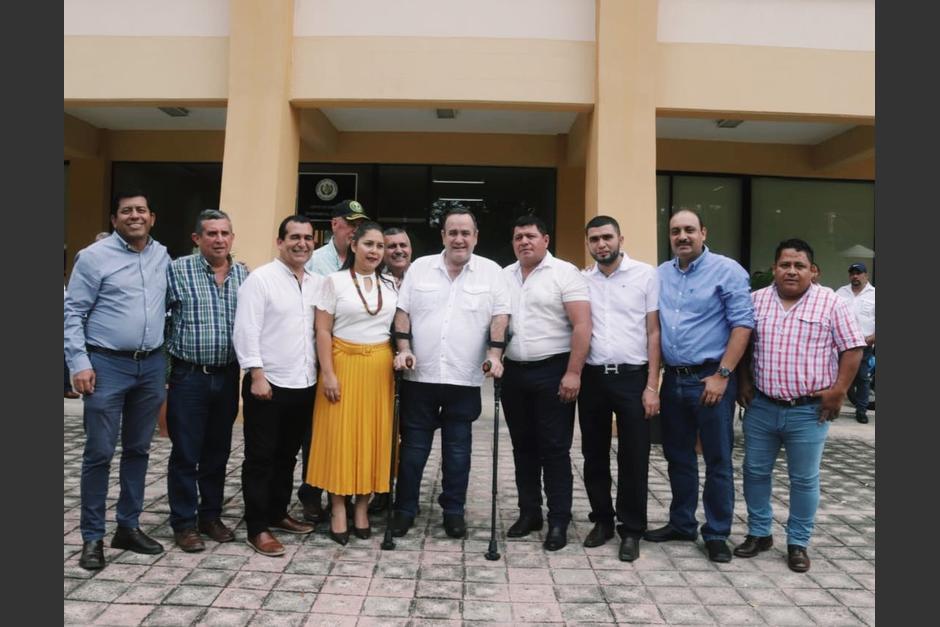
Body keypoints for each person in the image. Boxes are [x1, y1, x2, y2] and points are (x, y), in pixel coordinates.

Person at [735, 239, 864, 573]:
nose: (791, 271)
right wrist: (745, 382)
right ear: (775, 268)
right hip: (762, 406)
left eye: (799, 265)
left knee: (804, 479)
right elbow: (745, 347)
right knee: (754, 471)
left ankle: (797, 542)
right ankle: (760, 532)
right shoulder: (756, 301)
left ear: (813, 271)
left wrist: (839, 391)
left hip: (809, 411)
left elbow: (853, 349)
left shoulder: (831, 303)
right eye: (785, 265)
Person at [65, 190, 170, 570]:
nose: (135, 216)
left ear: (152, 217)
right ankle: (92, 537)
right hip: (106, 365)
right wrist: (79, 362)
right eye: (126, 211)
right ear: (114, 220)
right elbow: (73, 312)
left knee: (139, 450)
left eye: (141, 210)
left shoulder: (161, 256)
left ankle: (128, 526)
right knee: (99, 453)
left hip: (151, 366)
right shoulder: (93, 258)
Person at [390, 208, 510, 539]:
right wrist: (404, 351)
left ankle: (453, 511)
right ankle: (404, 509)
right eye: (452, 232)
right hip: (421, 377)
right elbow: (403, 313)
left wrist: (494, 355)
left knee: (458, 452)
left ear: (475, 237)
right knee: (414, 450)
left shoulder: (492, 272)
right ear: (443, 235)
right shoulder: (419, 268)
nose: (459, 238)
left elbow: (500, 317)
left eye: (465, 233)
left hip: (464, 378)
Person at [645, 209, 754, 563]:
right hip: (674, 379)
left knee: (718, 459)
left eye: (689, 229)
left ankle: (718, 533)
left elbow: (742, 325)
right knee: (677, 457)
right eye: (676, 231)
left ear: (703, 232)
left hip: (711, 379)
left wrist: (723, 376)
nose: (682, 236)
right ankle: (681, 523)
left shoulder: (727, 270)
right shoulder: (660, 274)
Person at [501, 215, 592, 552]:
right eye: (518, 237)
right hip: (514, 372)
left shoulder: (565, 273)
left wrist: (573, 372)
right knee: (522, 448)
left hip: (553, 371)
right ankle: (530, 513)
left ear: (546, 240)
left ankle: (558, 520)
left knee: (554, 449)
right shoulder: (504, 276)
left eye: (530, 236)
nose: (524, 242)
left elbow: (582, 325)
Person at [305, 221, 399, 544]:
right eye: (369, 244)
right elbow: (322, 331)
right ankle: (338, 507)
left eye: (380, 246)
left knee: (372, 438)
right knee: (339, 437)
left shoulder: (390, 286)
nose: (375, 251)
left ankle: (362, 505)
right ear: (354, 245)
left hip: (379, 370)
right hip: (341, 366)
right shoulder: (333, 282)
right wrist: (327, 373)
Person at [233, 215, 321, 556]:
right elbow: (246, 330)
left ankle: (277, 512)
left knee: (287, 456)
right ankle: (257, 527)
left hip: (303, 383)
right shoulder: (261, 280)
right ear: (280, 241)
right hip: (267, 384)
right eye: (295, 237)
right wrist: (256, 374)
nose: (302, 243)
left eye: (308, 238)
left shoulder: (316, 282)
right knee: (261, 458)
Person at [164, 210, 248, 552]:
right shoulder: (177, 270)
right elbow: (160, 321)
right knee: (186, 452)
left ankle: (210, 516)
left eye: (225, 233)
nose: (219, 239)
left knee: (218, 451)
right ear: (197, 239)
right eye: (211, 233)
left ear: (232, 237)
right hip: (189, 376)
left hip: (227, 375)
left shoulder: (244, 274)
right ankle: (183, 523)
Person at [578, 216, 661, 562]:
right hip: (593, 378)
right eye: (594, 239)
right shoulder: (582, 280)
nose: (601, 244)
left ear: (620, 238)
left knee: (634, 456)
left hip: (633, 377)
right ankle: (602, 521)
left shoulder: (646, 275)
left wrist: (652, 386)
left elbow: (654, 332)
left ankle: (631, 529)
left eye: (607, 237)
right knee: (593, 453)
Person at [299, 199, 371, 522]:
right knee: (316, 434)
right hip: (315, 358)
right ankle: (312, 493)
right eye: (350, 223)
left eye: (359, 224)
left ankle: (349, 494)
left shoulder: (365, 261)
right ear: (335, 225)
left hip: (354, 362)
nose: (355, 229)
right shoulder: (314, 261)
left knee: (349, 432)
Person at [367, 226, 414, 515]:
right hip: (380, 364)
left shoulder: (422, 277)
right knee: (384, 432)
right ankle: (381, 489)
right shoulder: (373, 280)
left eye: (403, 245)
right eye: (391, 245)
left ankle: (404, 492)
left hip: (416, 367)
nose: (398, 250)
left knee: (410, 435)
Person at [835, 262, 876, 423]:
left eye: (859, 273)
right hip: (842, 342)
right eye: (852, 273)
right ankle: (834, 407)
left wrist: (874, 336)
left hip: (863, 343)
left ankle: (861, 410)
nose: (855, 276)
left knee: (861, 378)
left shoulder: (874, 294)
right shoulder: (841, 292)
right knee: (836, 375)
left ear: (866, 275)